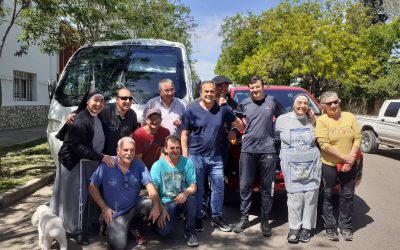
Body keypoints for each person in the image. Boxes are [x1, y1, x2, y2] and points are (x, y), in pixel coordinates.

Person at [51, 89, 114, 245]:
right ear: (87, 102)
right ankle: (77, 230)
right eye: (95, 100)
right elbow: (78, 147)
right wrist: (102, 157)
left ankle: (88, 223)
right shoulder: (79, 120)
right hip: (75, 163)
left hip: (88, 162)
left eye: (101, 101)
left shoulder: (98, 117)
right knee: (77, 198)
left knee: (88, 196)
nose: (98, 104)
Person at [181, 80, 244, 233]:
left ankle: (217, 217)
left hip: (216, 157)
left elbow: (241, 125)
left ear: (215, 93)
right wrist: (185, 157)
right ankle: (197, 218)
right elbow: (184, 133)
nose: (209, 94)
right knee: (199, 189)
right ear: (201, 93)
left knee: (218, 188)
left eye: (211, 91)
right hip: (196, 156)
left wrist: (233, 129)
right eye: (206, 91)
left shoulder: (223, 109)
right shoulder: (191, 110)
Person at [232, 76, 286, 237]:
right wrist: (234, 131)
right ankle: (244, 218)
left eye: (257, 87)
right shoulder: (244, 103)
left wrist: (276, 133)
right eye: (252, 88)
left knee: (267, 188)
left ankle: (265, 220)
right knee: (245, 186)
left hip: (268, 150)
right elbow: (234, 119)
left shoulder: (272, 101)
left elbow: (284, 118)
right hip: (248, 150)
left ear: (263, 87)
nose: (255, 90)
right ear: (249, 89)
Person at [89, 137, 162, 249]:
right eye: (125, 150)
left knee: (151, 204)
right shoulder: (106, 165)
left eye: (132, 150)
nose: (129, 153)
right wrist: (104, 208)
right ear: (118, 151)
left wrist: (157, 206)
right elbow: (92, 187)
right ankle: (107, 225)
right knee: (119, 246)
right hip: (116, 213)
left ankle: (136, 227)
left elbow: (150, 187)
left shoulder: (139, 165)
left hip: (134, 206)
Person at [275, 93, 322, 243]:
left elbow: (326, 134)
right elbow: (270, 135)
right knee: (294, 197)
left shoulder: (314, 121)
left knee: (310, 196)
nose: (302, 105)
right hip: (291, 165)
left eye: (305, 103)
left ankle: (307, 228)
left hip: (311, 164)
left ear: (309, 106)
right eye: (299, 102)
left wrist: (315, 119)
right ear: (293, 104)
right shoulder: (282, 120)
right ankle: (294, 228)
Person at [315, 91, 361, 241]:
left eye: (336, 102)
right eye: (329, 103)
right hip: (330, 164)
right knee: (327, 195)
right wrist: (344, 158)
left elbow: (357, 137)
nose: (334, 105)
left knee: (347, 195)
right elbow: (323, 144)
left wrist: (351, 158)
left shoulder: (350, 116)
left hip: (349, 163)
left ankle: (346, 226)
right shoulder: (322, 121)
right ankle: (330, 227)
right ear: (323, 106)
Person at [150, 135, 198, 247]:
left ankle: (190, 232)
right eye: (172, 148)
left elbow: (193, 186)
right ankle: (154, 223)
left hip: (182, 198)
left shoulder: (187, 163)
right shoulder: (158, 165)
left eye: (178, 148)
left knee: (191, 200)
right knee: (164, 232)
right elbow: (153, 191)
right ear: (165, 149)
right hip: (166, 201)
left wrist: (185, 193)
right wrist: (160, 207)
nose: (175, 150)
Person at [66, 88, 139, 155]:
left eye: (130, 98)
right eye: (124, 98)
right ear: (116, 99)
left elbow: (134, 132)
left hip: (120, 157)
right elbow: (88, 109)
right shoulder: (105, 109)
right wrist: (72, 114)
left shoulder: (132, 114)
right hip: (103, 157)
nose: (128, 101)